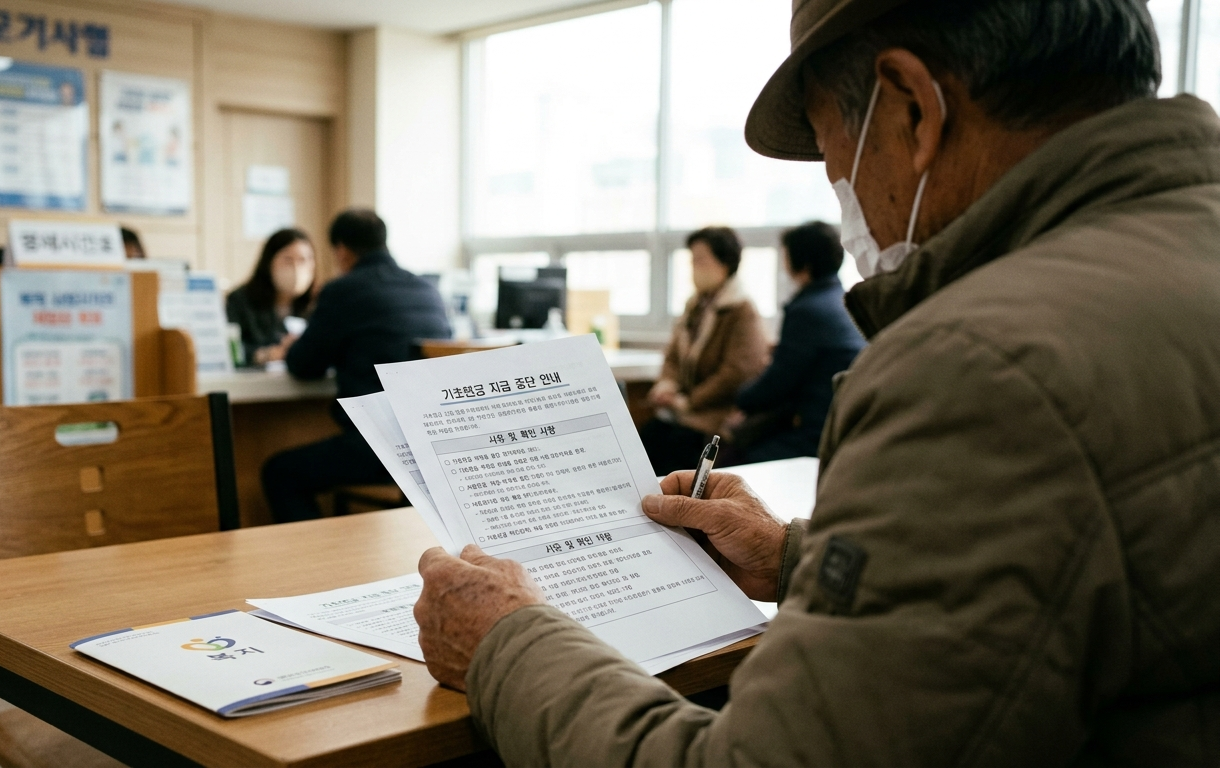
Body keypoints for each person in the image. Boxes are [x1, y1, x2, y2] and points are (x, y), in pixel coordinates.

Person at [411, 0, 1220, 764]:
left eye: (836, 165)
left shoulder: (980, 364)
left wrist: (506, 643)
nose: (849, 206)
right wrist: (798, 559)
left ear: (911, 106)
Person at [261, 209, 450, 523]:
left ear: (341, 251)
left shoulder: (342, 291)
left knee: (280, 473)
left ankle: (319, 563)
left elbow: (304, 365)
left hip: (381, 448)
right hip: (432, 446)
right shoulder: (428, 291)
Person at [725, 221, 864, 463]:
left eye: (786, 257)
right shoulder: (845, 302)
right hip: (846, 425)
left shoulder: (807, 311)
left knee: (732, 458)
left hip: (814, 432)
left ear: (803, 264)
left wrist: (740, 399)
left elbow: (778, 382)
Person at [641, 227, 769, 476]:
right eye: (692, 260)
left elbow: (736, 372)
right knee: (645, 439)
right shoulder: (695, 305)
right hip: (681, 410)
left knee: (675, 447)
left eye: (701, 260)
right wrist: (667, 385)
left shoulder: (741, 310)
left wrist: (689, 401)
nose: (694, 268)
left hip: (714, 413)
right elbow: (674, 355)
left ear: (724, 263)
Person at [225, 228, 316, 365]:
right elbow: (232, 349)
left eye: (303, 260)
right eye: (288, 260)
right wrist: (266, 354)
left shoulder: (318, 303)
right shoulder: (241, 300)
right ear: (269, 262)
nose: (296, 268)